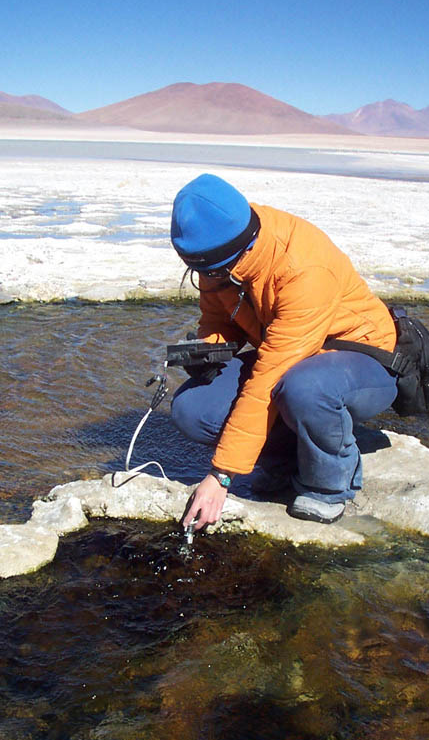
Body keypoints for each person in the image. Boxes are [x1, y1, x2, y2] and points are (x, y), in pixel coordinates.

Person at [170, 173, 398, 530]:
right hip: (289, 357)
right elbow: (219, 318)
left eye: (213, 272)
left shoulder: (304, 268)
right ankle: (289, 458)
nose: (206, 279)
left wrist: (223, 475)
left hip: (362, 360)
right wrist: (208, 349)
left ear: (239, 251)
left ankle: (331, 481)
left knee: (304, 389)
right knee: (192, 409)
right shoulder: (218, 252)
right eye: (200, 272)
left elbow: (269, 379)